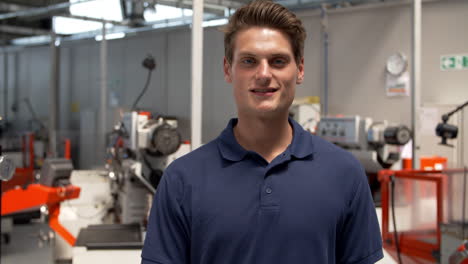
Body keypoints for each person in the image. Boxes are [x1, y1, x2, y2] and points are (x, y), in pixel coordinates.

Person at [141, 0, 383, 263]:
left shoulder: (345, 173)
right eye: (249, 61)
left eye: (278, 61)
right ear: (227, 70)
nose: (264, 74)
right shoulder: (181, 181)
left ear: (299, 70)